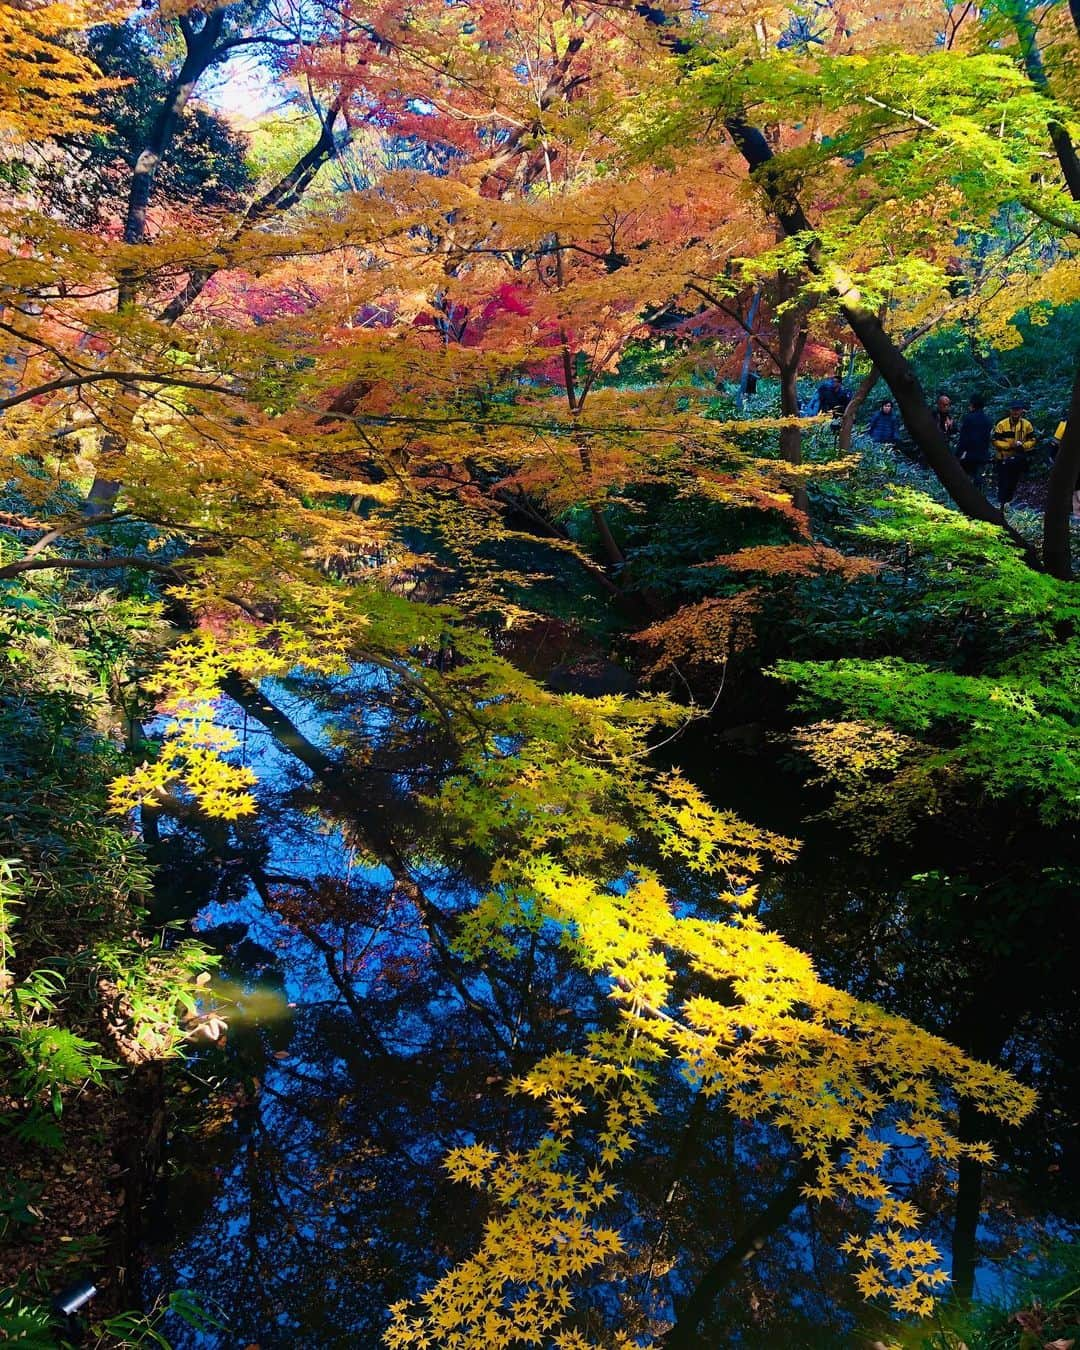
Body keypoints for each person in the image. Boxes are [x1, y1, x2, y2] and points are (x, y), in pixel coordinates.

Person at [992, 401, 1037, 506]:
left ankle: (1008, 503)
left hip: (1017, 459)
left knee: (1013, 482)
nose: (1016, 412)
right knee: (1003, 482)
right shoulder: (1002, 424)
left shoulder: (1026, 424)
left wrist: (1023, 446)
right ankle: (1001, 504)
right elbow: (995, 440)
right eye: (1014, 409)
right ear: (1010, 410)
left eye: (1018, 409)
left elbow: (1033, 440)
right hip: (1003, 458)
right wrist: (1009, 445)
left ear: (1022, 411)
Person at [955, 395, 992, 485]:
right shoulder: (988, 420)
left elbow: (964, 438)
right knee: (978, 478)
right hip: (982, 454)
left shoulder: (969, 418)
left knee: (964, 480)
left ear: (972, 405)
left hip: (969, 455)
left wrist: (959, 454)